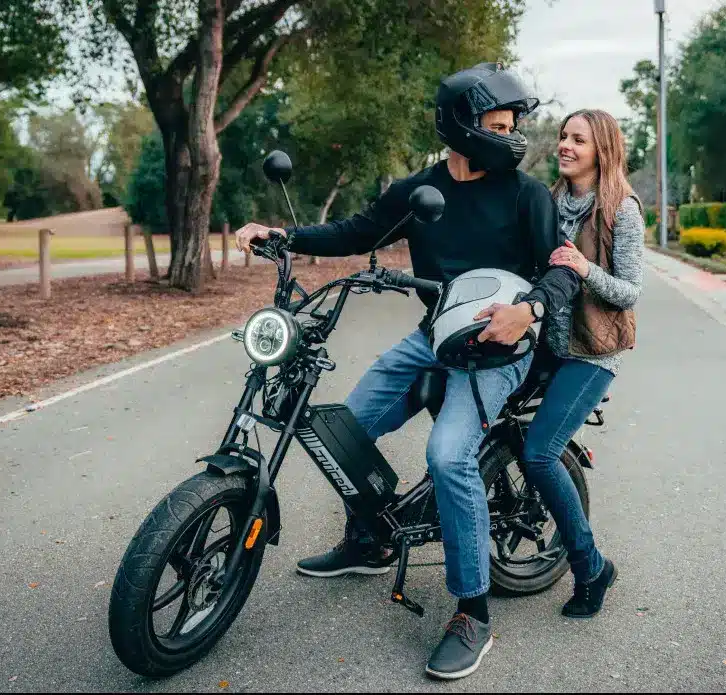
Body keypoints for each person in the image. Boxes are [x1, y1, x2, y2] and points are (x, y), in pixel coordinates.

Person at [234, 63, 581, 680]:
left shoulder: (525, 193)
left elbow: (559, 270)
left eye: (513, 124)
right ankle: (370, 538)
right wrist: (281, 235)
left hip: (503, 346)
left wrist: (528, 310)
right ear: (462, 127)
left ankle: (472, 610)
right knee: (346, 426)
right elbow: (358, 231)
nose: (510, 135)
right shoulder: (419, 189)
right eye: (497, 124)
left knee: (449, 455)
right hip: (435, 335)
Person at [521, 109, 645, 619]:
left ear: (602, 150)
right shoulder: (550, 200)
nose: (565, 146)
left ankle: (591, 568)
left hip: (593, 353)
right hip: (546, 342)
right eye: (563, 137)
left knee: (540, 454)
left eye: (579, 140)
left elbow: (629, 291)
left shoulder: (623, 211)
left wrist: (584, 266)